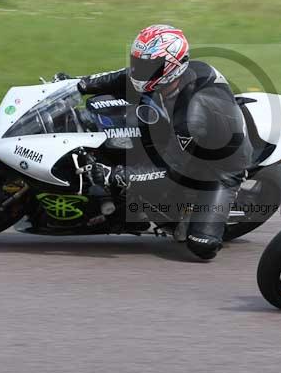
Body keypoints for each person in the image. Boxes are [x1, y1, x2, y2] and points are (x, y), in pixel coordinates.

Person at [70, 24, 252, 260]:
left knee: (201, 246)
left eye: (145, 66)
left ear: (171, 68)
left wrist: (117, 174)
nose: (137, 69)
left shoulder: (191, 118)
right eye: (138, 62)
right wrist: (79, 85)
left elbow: (171, 167)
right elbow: (123, 76)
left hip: (219, 166)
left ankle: (200, 210)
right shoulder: (168, 79)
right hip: (186, 136)